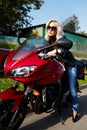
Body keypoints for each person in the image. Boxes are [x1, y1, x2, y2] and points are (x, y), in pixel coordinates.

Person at [44, 19, 81, 122]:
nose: (50, 29)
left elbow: (61, 50)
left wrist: (51, 52)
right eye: (48, 27)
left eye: (53, 28)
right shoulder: (46, 40)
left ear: (57, 29)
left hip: (68, 64)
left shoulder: (62, 39)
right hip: (56, 65)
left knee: (72, 87)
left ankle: (75, 109)